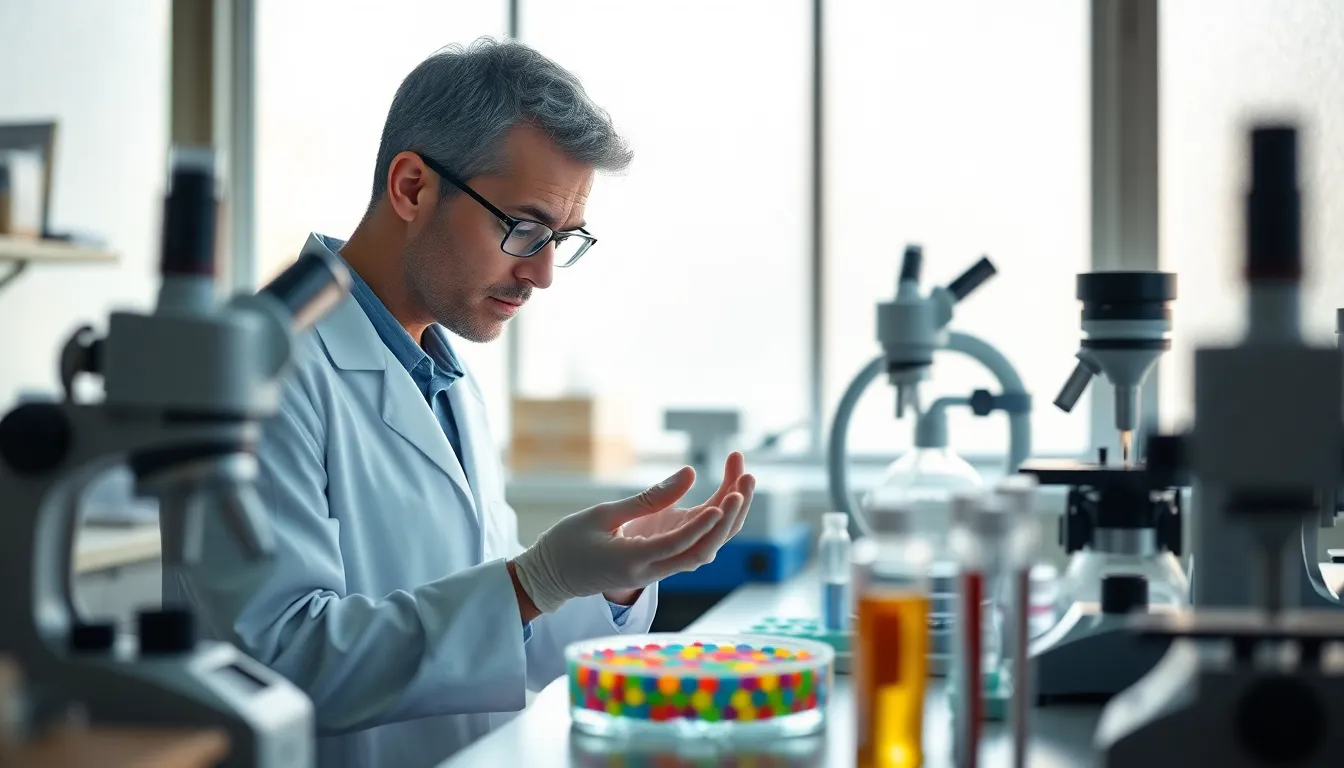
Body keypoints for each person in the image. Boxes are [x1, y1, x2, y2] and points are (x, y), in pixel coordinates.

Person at [165, 38, 755, 768]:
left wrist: (608, 578)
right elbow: (277, 662)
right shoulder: (263, 371)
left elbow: (501, 643)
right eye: (524, 228)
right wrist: (532, 581)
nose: (542, 273)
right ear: (413, 187)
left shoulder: (446, 377)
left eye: (562, 238)